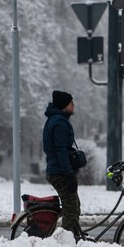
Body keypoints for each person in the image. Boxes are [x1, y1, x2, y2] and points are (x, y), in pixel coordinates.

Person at [42, 90, 82, 237]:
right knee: (71, 210)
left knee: (74, 207)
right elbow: (60, 150)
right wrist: (68, 174)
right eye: (71, 102)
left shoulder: (56, 120)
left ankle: (76, 239)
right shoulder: (59, 123)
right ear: (65, 105)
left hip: (57, 169)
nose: (74, 105)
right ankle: (65, 244)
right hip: (60, 172)